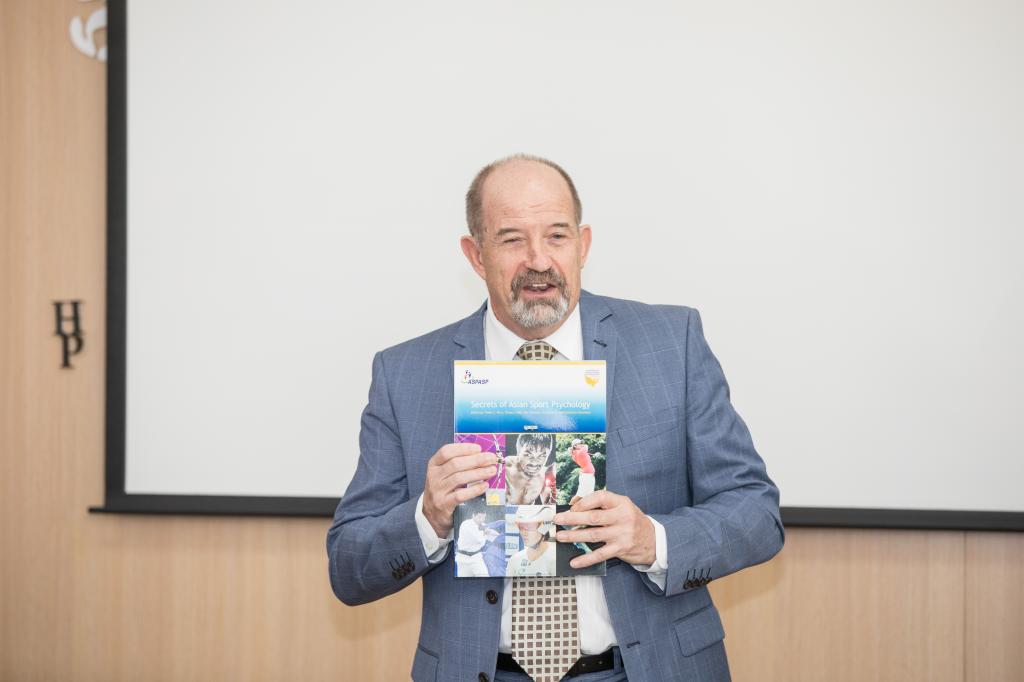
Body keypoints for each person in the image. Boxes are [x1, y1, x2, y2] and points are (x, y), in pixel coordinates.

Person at [327, 154, 784, 682]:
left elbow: (757, 513)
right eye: (512, 239)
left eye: (557, 236)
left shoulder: (671, 343)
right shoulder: (405, 374)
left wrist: (652, 539)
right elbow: (348, 568)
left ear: (583, 245)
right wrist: (427, 517)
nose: (538, 260)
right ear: (475, 255)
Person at [505, 506, 557, 577]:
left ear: (545, 527)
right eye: (520, 527)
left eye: (529, 527)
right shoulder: (515, 559)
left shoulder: (555, 558)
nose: (524, 533)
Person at [456, 510, 500, 577]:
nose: (482, 520)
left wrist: (501, 536)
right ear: (473, 515)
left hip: (476, 558)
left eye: (484, 517)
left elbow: (492, 533)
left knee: (485, 577)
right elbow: (478, 539)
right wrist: (485, 532)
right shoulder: (466, 524)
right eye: (479, 517)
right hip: (463, 559)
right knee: (464, 581)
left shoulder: (483, 525)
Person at [568, 439, 597, 506]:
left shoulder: (577, 453)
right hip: (586, 476)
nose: (582, 444)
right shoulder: (580, 452)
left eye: (581, 443)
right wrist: (579, 446)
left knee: (589, 495)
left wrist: (574, 447)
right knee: (579, 495)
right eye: (580, 443)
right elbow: (586, 446)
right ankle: (568, 507)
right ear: (575, 445)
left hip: (588, 475)